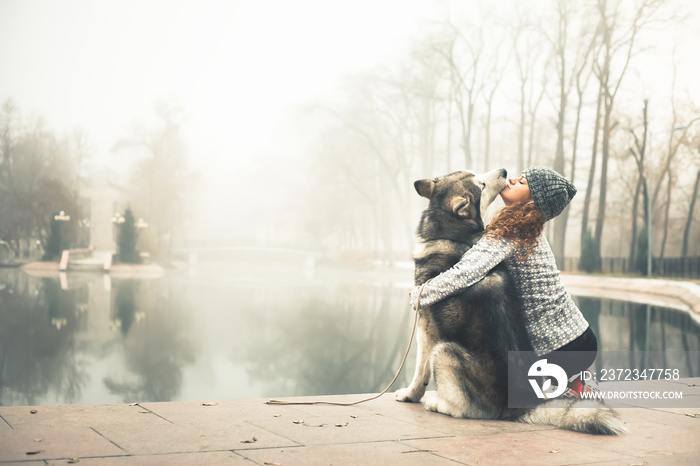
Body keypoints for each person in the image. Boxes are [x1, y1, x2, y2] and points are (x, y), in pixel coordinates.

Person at [409, 166, 597, 397]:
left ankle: (570, 387)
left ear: (532, 201)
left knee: (515, 397)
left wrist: (423, 293)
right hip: (581, 340)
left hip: (561, 347)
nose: (514, 178)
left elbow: (467, 271)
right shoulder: (529, 229)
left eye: (523, 182)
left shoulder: (512, 231)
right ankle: (573, 382)